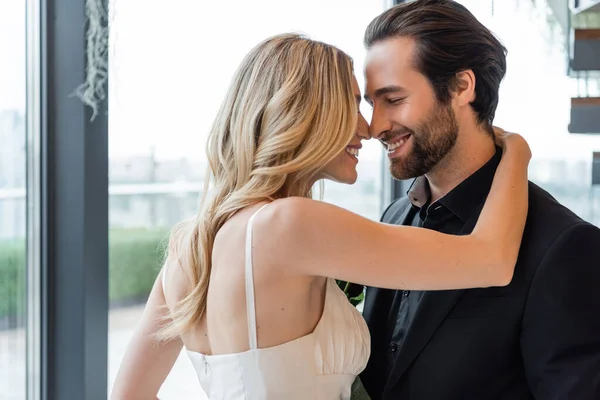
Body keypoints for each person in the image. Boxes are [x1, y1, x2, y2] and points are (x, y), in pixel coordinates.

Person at [110, 32, 531, 400]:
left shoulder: (190, 246)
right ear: (306, 112)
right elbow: (491, 260)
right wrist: (516, 151)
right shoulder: (291, 224)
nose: (367, 128)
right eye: (351, 102)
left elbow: (129, 394)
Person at [358, 1, 600, 399]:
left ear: (461, 87)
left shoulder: (562, 245)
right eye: (372, 103)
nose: (376, 126)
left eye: (394, 99)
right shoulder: (394, 215)